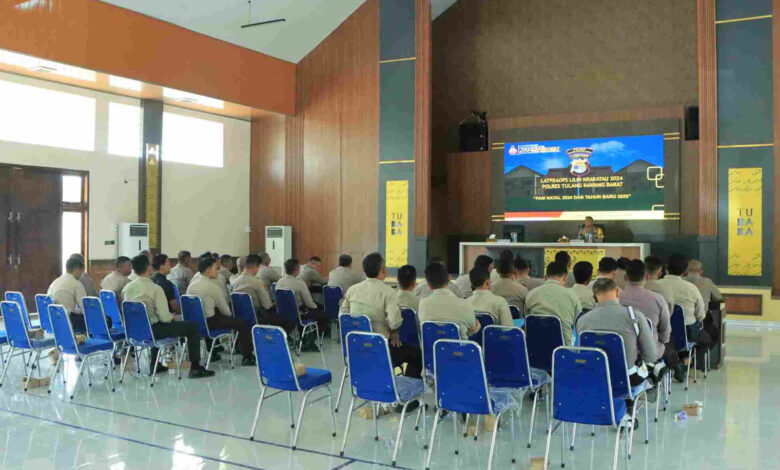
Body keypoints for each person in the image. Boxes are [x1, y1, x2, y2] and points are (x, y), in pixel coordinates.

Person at [121, 254, 214, 379]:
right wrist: (172, 317)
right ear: (148, 268)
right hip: (153, 330)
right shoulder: (155, 289)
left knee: (156, 321)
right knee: (193, 327)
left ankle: (154, 364)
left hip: (134, 331)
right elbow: (164, 318)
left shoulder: (127, 288)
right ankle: (195, 368)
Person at [341, 253, 421, 379]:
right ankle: (409, 388)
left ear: (364, 271)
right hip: (380, 349)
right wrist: (394, 331)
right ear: (383, 270)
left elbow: (343, 315)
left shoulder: (352, 290)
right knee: (416, 354)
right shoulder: (388, 292)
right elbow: (395, 321)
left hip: (355, 349)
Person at [577, 278, 656, 389]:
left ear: (594, 298)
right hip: (628, 379)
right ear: (618, 292)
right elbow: (651, 355)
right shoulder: (634, 316)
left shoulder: (582, 320)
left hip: (594, 378)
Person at [186, 254, 256, 366]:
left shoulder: (191, 285)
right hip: (210, 323)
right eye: (215, 269)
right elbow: (226, 312)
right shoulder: (213, 287)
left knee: (211, 312)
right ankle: (247, 356)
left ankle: (213, 352)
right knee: (242, 322)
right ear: (208, 270)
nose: (217, 272)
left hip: (196, 323)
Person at [619, 259, 678, 379]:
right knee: (670, 349)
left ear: (625, 278)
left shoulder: (616, 298)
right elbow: (665, 333)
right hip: (649, 350)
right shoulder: (657, 299)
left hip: (621, 350)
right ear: (646, 276)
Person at [656, 253, 714, 351]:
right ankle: (690, 358)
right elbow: (700, 315)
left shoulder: (656, 286)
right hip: (687, 332)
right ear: (686, 270)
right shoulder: (692, 288)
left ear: (665, 268)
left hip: (661, 331)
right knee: (707, 339)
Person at [276, 258, 330, 350]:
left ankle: (303, 337)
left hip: (282, 314)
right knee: (323, 316)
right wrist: (316, 307)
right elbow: (310, 304)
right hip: (298, 314)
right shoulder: (300, 283)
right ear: (297, 270)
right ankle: (309, 340)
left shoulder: (279, 282)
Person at [418, 262, 480, 339]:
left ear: (429, 286)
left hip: (430, 347)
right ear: (449, 278)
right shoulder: (465, 304)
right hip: (459, 346)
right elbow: (472, 329)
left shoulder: (423, 304)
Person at [525, 261, 582, 345]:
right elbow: (578, 322)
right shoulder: (572, 295)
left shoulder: (531, 294)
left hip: (534, 346)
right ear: (565, 277)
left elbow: (527, 318)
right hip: (563, 348)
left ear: (545, 277)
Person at [47, 256, 88, 333]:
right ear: (77, 269)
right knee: (106, 320)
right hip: (68, 320)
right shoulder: (76, 283)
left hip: (53, 318)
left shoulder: (55, 282)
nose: (81, 274)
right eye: (81, 271)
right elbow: (85, 308)